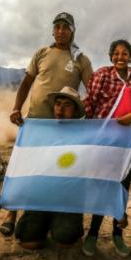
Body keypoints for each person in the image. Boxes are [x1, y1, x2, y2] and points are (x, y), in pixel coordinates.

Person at [0, 12, 93, 236]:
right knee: (21, 166)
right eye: (57, 27)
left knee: (54, 169)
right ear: (53, 30)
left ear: (72, 31)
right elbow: (27, 82)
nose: (61, 31)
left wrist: (89, 118)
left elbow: (93, 90)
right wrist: (15, 107)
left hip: (63, 128)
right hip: (34, 123)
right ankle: (11, 214)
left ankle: (49, 214)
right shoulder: (42, 53)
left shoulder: (80, 59)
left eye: (65, 27)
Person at [81, 39, 131, 258]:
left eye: (125, 53)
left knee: (122, 186)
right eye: (116, 54)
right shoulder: (102, 74)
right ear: (111, 57)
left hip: (128, 141)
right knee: (104, 185)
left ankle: (117, 235)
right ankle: (92, 234)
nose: (120, 57)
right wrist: (82, 126)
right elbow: (91, 101)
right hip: (105, 139)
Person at [14, 86, 85, 249]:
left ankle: (70, 225)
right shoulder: (40, 133)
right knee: (29, 242)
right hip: (40, 198)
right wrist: (7, 196)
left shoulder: (83, 136)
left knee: (64, 240)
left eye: (67, 105)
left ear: (74, 111)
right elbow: (23, 167)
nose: (60, 109)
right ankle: (43, 222)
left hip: (67, 201)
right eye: (58, 103)